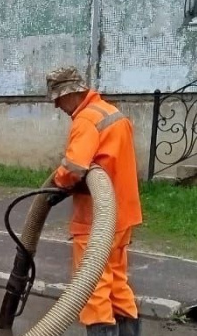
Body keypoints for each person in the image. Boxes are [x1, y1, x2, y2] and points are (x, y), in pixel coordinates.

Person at [46, 66, 143, 336]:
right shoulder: (112, 113)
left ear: (71, 93)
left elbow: (75, 167)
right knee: (117, 283)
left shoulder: (86, 119)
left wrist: (58, 184)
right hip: (122, 214)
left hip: (95, 220)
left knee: (93, 287)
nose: (57, 106)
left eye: (58, 99)